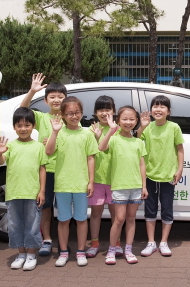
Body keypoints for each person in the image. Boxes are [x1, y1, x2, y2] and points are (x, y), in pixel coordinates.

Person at [46, 96, 98, 267]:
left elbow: (91, 158)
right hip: (62, 184)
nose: (74, 116)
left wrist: (91, 181)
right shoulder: (59, 132)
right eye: (69, 113)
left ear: (82, 114)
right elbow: (49, 151)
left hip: (81, 184)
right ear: (62, 115)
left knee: (82, 219)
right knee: (63, 219)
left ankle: (81, 251)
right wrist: (54, 132)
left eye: (77, 113)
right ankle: (63, 251)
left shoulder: (87, 134)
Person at [20, 73, 67, 257]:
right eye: (52, 97)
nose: (57, 100)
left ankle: (63, 241)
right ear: (46, 100)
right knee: (45, 206)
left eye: (61, 97)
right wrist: (32, 91)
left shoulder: (70, 118)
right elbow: (23, 110)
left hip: (66, 170)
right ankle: (46, 239)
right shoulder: (40, 117)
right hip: (46, 170)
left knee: (63, 207)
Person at [0, 107, 47, 271]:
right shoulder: (10, 146)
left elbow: (42, 169)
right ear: (14, 127)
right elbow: (0, 161)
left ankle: (31, 254)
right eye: (19, 125)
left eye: (27, 125)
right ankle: (21, 254)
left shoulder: (39, 147)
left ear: (33, 126)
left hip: (32, 193)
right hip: (14, 193)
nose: (23, 129)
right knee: (16, 224)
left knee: (32, 224)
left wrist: (42, 191)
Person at [99, 106, 148, 265]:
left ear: (136, 121)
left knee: (131, 218)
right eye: (124, 119)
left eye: (132, 119)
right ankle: (112, 250)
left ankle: (128, 249)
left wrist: (144, 186)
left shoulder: (138, 142)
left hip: (135, 186)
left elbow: (142, 165)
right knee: (119, 219)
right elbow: (101, 147)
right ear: (118, 121)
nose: (128, 122)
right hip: (119, 186)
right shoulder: (114, 138)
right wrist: (111, 130)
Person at [137, 95, 185, 257]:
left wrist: (180, 169)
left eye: (162, 106)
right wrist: (142, 127)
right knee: (150, 210)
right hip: (150, 175)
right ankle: (151, 242)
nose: (158, 109)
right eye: (155, 106)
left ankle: (164, 242)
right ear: (151, 111)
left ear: (168, 111)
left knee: (167, 210)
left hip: (168, 176)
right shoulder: (148, 127)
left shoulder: (174, 127)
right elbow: (136, 140)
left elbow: (179, 149)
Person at [86, 96, 124, 258]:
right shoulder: (91, 130)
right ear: (95, 113)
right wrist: (95, 137)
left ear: (114, 111)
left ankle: (116, 243)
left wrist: (112, 128)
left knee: (116, 215)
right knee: (96, 212)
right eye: (101, 110)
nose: (104, 113)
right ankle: (94, 243)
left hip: (116, 179)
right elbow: (88, 152)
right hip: (98, 179)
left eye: (108, 109)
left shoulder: (120, 129)